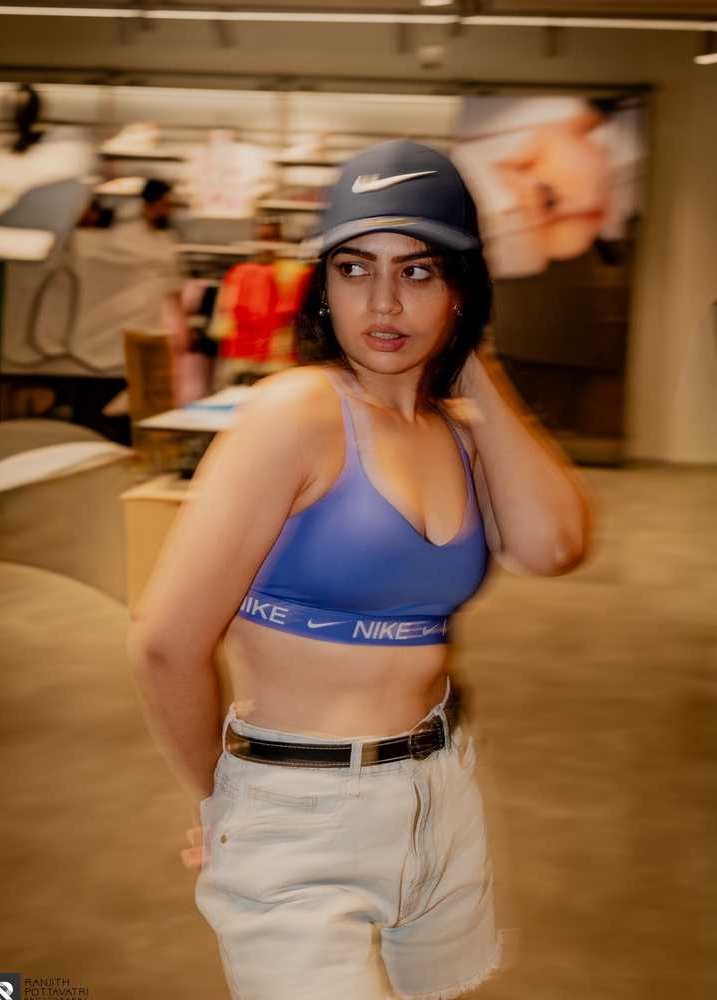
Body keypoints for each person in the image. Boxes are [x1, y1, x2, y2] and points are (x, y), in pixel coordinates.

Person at [128, 140, 591, 1000]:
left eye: (418, 272)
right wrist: (223, 800)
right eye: (354, 269)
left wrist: (472, 362)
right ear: (323, 286)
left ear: (460, 288)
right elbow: (164, 643)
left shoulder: (457, 430)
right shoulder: (295, 415)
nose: (383, 302)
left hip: (441, 792)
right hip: (297, 809)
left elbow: (553, 546)